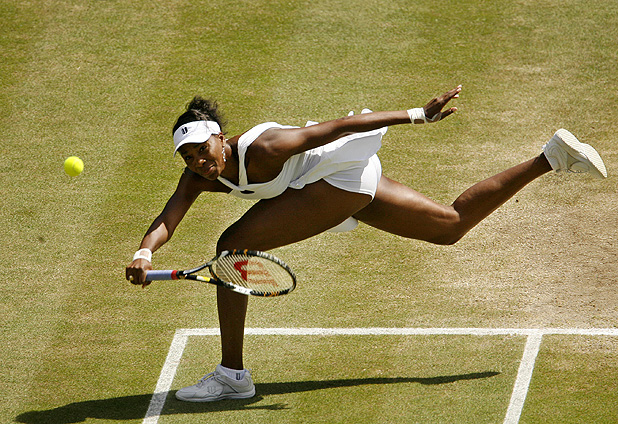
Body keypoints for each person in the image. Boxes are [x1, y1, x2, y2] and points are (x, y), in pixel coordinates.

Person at [125, 85, 606, 402]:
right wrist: (144, 252)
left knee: (232, 246)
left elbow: (336, 127)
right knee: (450, 226)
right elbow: (168, 217)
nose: (198, 161)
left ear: (221, 139)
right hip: (347, 183)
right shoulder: (198, 177)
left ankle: (233, 375)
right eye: (188, 157)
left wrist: (417, 115)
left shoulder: (267, 147)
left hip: (335, 178)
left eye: (203, 150)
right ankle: (551, 157)